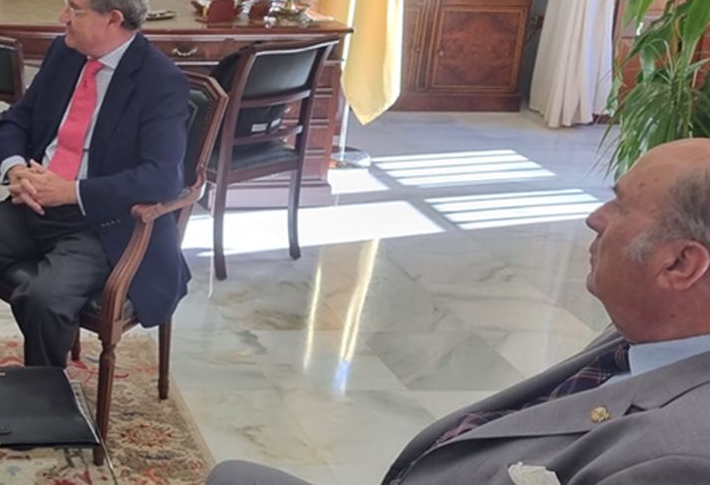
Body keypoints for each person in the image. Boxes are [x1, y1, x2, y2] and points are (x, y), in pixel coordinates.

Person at [207, 138, 710, 485]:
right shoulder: (650, 335)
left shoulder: (681, 459)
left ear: (680, 263)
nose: (594, 218)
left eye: (619, 206)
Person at [0, 0, 193, 380]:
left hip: (100, 224)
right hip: (34, 204)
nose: (63, 17)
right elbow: (16, 119)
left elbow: (162, 177)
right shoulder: (67, 52)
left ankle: (42, 407)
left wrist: (72, 191)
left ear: (112, 18)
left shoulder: (160, 82)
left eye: (74, 9)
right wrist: (14, 170)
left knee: (43, 298)